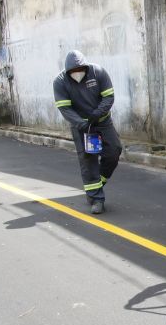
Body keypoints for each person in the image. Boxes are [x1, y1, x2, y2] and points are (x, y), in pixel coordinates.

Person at [52, 50, 122, 215]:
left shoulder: (98, 72)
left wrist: (97, 113)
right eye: (73, 71)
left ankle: (99, 180)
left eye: (80, 69)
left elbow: (109, 97)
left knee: (114, 150)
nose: (77, 73)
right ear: (68, 71)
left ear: (85, 66)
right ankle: (96, 199)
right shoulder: (60, 82)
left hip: (102, 121)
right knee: (88, 159)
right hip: (81, 126)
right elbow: (64, 107)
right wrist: (80, 123)